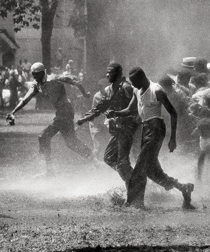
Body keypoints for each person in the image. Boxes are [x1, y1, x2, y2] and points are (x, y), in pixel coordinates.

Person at [107, 67, 196, 210]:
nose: (133, 86)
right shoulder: (137, 90)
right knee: (152, 171)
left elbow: (173, 113)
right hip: (145, 129)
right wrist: (115, 113)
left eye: (135, 82)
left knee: (140, 167)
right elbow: (130, 110)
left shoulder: (157, 91)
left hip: (156, 129)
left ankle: (134, 204)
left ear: (142, 78)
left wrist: (172, 138)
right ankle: (183, 188)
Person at [6, 62, 94, 174]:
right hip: (62, 112)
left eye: (37, 74)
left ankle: (49, 170)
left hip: (66, 111)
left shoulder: (54, 79)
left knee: (43, 136)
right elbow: (25, 100)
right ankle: (94, 160)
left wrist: (85, 94)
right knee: (71, 142)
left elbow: (75, 82)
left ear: (43, 72)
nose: (35, 77)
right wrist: (13, 112)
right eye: (33, 74)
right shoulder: (36, 85)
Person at [76, 63, 140, 188]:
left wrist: (126, 119)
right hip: (118, 130)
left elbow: (136, 107)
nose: (107, 75)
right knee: (109, 158)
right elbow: (100, 107)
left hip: (129, 129)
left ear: (117, 74)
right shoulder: (109, 90)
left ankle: (134, 187)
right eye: (107, 72)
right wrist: (84, 119)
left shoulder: (126, 88)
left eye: (110, 72)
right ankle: (133, 180)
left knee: (122, 162)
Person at [87, 78, 110, 161]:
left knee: (106, 145)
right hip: (96, 124)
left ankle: (102, 163)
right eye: (103, 87)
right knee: (98, 146)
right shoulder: (98, 96)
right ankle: (92, 162)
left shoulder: (109, 94)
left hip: (103, 124)